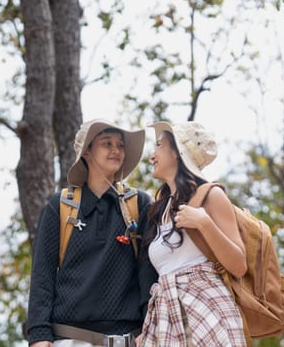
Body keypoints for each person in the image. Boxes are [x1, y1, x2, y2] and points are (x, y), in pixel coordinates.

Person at [27, 119, 158, 347]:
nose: (116, 150)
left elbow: (148, 274)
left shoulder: (140, 204)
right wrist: (39, 334)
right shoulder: (60, 206)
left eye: (120, 145)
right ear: (87, 152)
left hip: (128, 339)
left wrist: (150, 328)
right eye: (107, 143)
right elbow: (43, 274)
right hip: (68, 338)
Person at [136, 121, 248, 346]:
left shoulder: (211, 196)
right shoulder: (158, 209)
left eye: (159, 145)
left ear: (176, 152)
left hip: (209, 315)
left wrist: (204, 223)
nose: (152, 155)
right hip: (166, 320)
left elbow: (239, 265)